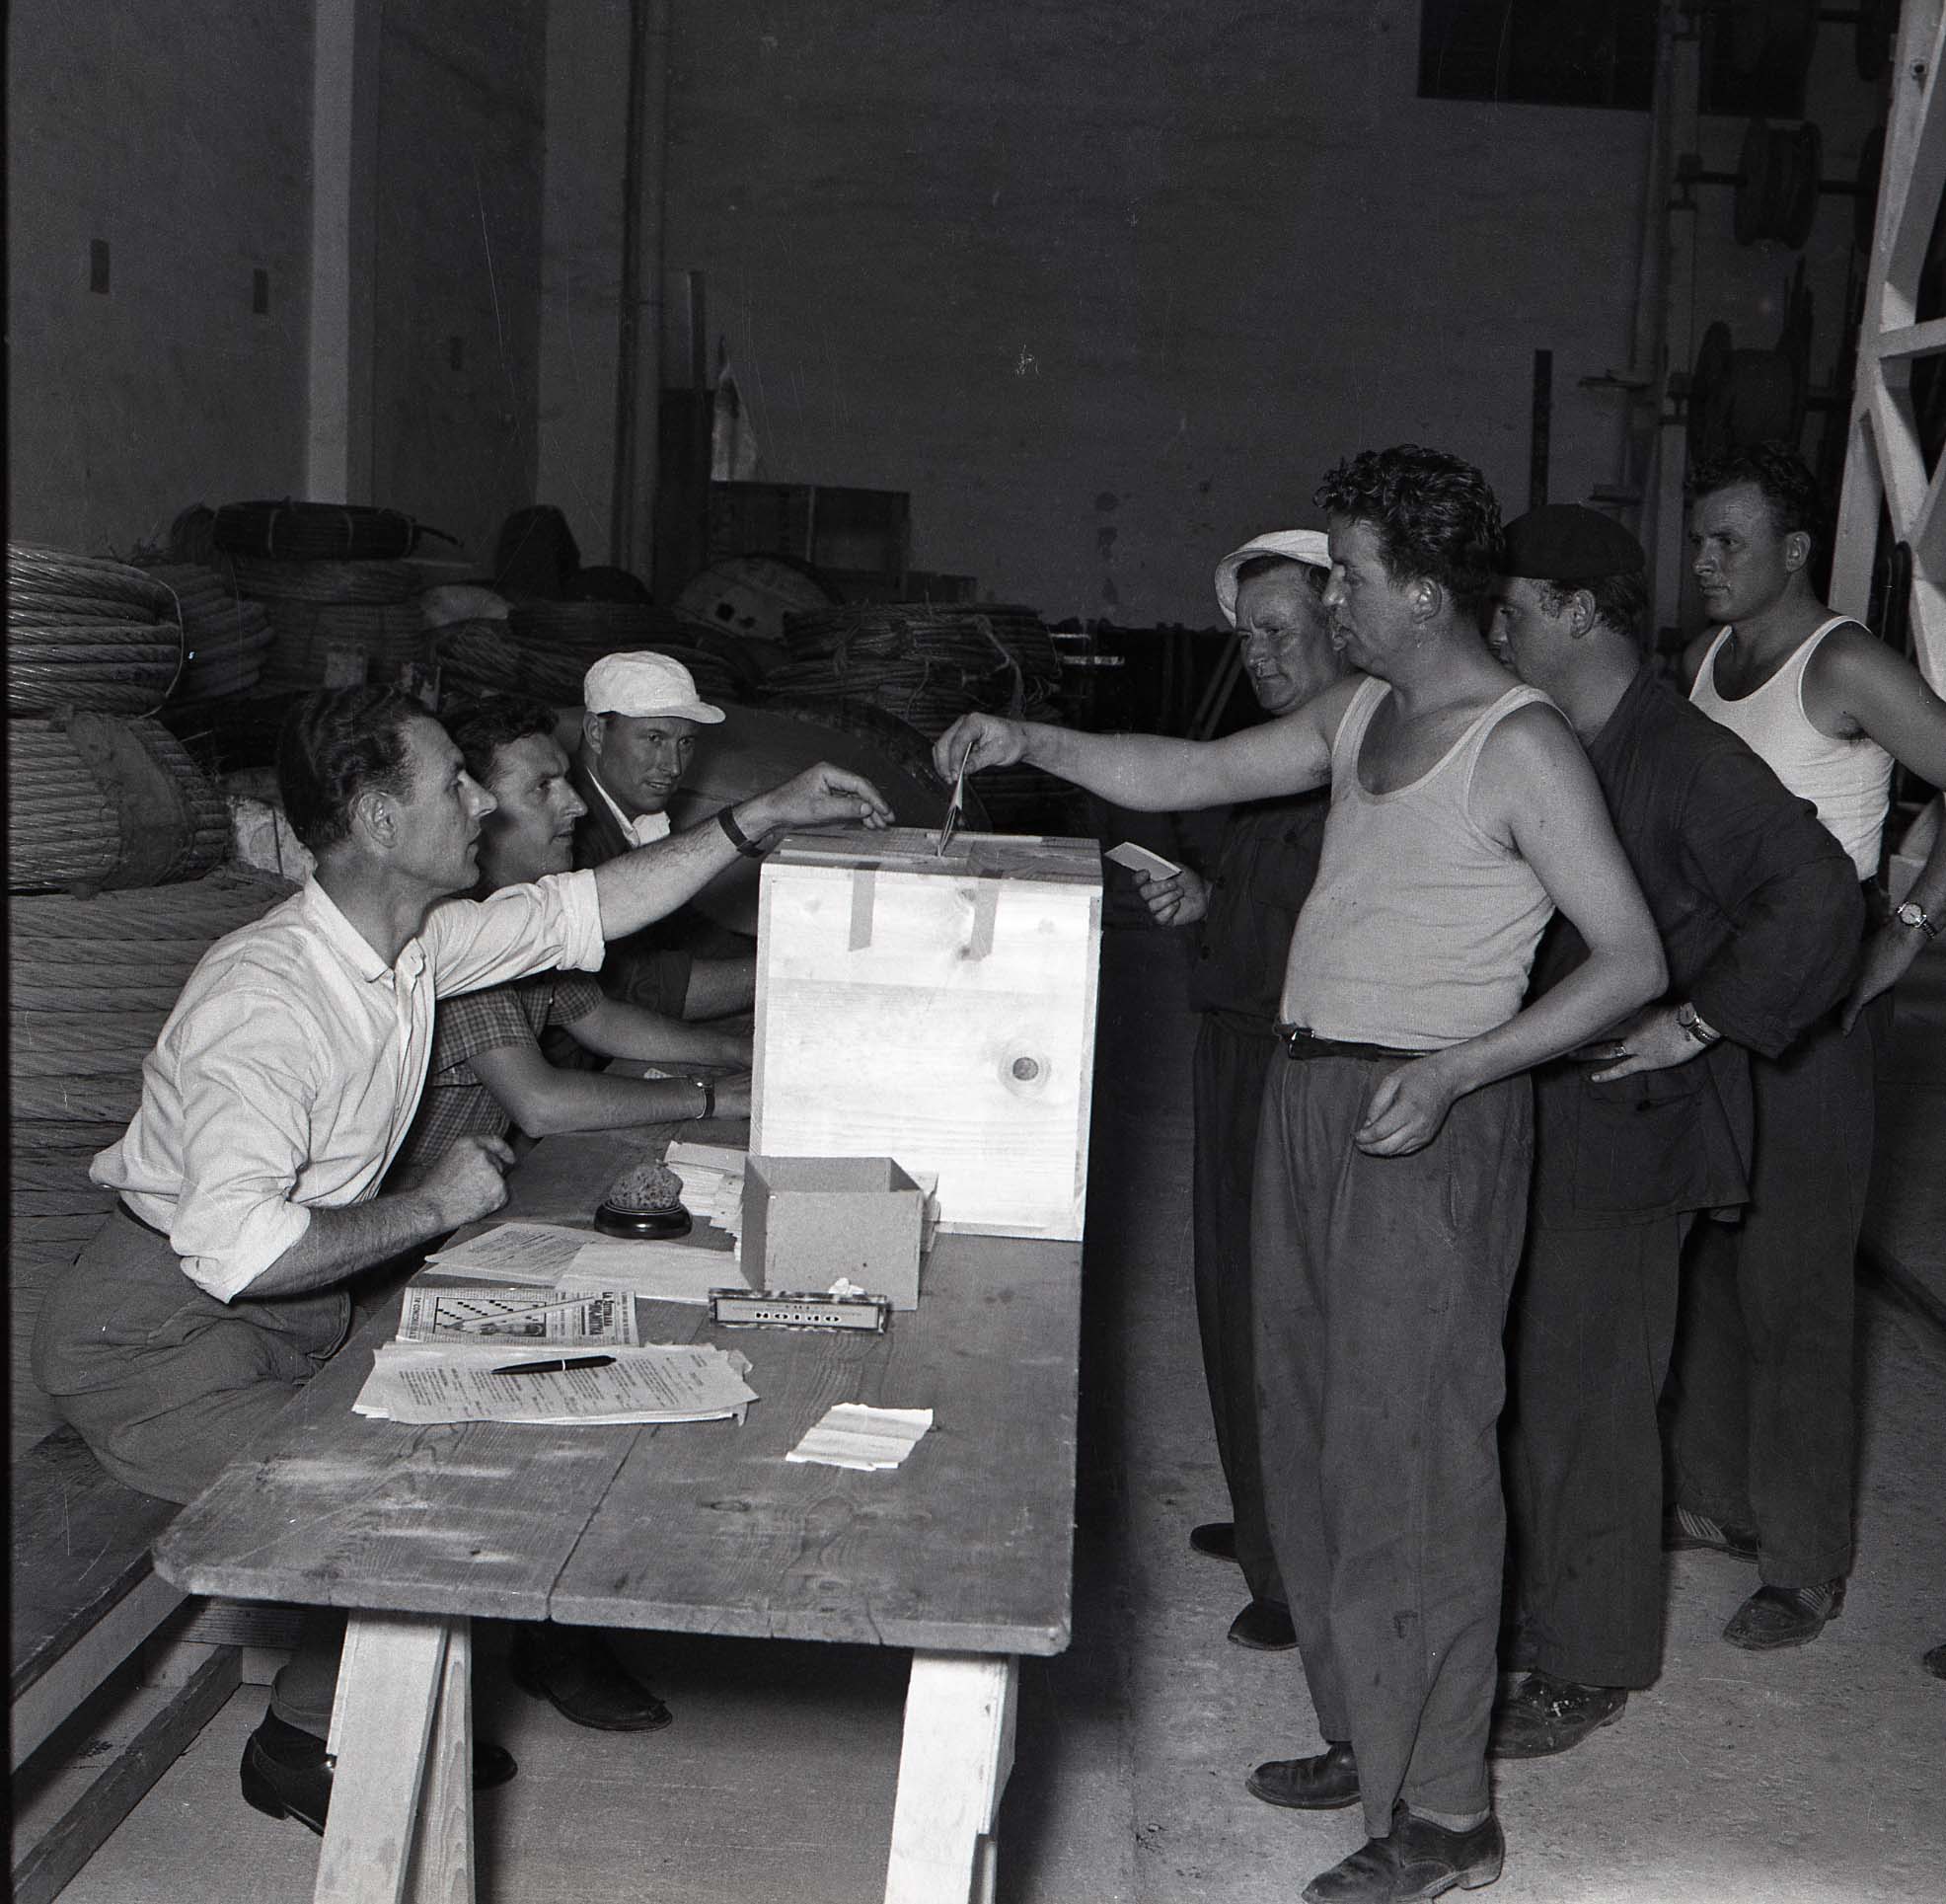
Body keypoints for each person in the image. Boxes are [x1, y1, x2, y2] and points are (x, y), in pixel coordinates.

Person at [936, 446, 1667, 1904]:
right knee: (1311, 1441)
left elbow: (1633, 960)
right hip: (1308, 1089)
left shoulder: (1520, 746)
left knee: (1418, 1466)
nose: (1331, 600)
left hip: (1427, 1118)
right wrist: (1026, 737)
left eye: (1348, 576)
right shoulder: (1366, 712)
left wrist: (1460, 1068)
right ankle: (1368, 1731)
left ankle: (1447, 1816)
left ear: (1422, 590)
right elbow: (1191, 771)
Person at [31, 684, 890, 1833]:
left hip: (288, 1314)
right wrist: (434, 1206)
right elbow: (244, 1252)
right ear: (378, 819)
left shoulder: (413, 946)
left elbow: (589, 906)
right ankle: (311, 1745)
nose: (483, 802)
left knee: (498, 1426)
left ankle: (324, 1723)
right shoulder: (267, 1001)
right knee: (419, 1503)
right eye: (455, 784)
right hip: (158, 1348)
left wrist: (762, 815)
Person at [1482, 505, 1861, 1757]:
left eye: (1514, 609)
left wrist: (1699, 1023)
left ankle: (1586, 1662)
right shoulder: (1555, 738)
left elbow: (1813, 892)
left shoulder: (1681, 755)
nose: (1497, 630)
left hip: (1630, 1131)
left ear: (1580, 613)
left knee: (1589, 1400)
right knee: (1544, 1386)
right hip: (1551, 1109)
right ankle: (1543, 1612)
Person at [1673, 441, 1946, 1649]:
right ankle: (1717, 1498)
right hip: (1712, 993)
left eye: (1727, 541)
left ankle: (1805, 1561)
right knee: (1704, 1255)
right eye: (1697, 540)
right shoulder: (1705, 660)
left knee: (1794, 1283)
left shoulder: (1843, 662)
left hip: (1812, 1010)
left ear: (1793, 549)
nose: (1703, 561)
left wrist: (1906, 930)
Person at [1139, 530, 1348, 1652]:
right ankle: (1264, 1514)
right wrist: (1206, 899)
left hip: (1299, 1061)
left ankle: (1295, 1569)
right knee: (1227, 1294)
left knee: (1284, 1311)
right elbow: (1271, 898)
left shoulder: (1366, 753)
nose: (1259, 656)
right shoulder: (1272, 756)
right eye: (1246, 638)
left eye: (1279, 632)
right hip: (1232, 1041)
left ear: (1341, 621)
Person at [393, 693, 754, 1183]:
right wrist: (709, 1097)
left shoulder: (530, 909)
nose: (578, 805)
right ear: (476, 807)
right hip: (421, 1201)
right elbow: (540, 1103)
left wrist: (738, 1054)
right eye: (543, 788)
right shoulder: (463, 927)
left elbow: (601, 1020)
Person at [572, 651, 756, 1022]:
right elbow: (637, 987)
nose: (673, 766)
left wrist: (776, 953)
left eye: (685, 742)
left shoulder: (636, 816)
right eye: (654, 738)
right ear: (596, 733)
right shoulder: (570, 833)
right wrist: (784, 971)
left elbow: (684, 929)